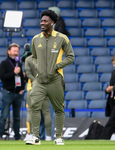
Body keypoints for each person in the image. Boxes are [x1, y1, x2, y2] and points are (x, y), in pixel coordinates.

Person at [25, 10, 75, 145]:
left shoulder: (62, 38)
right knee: (34, 107)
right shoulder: (36, 39)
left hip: (56, 80)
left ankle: (58, 137)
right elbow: (33, 57)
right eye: (41, 21)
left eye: (45, 21)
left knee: (59, 109)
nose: (42, 23)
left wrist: (58, 66)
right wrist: (36, 66)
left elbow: (71, 56)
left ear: (52, 23)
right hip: (39, 80)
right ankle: (35, 137)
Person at [0, 43, 25, 141]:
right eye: (14, 51)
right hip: (8, 92)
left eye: (17, 51)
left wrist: (22, 88)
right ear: (9, 52)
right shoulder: (4, 63)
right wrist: (13, 73)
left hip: (18, 93)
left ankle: (17, 137)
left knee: (17, 117)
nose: (16, 53)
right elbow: (2, 77)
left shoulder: (19, 64)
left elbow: (21, 78)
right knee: (4, 116)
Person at [23, 54, 52, 141]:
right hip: (44, 88)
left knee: (31, 111)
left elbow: (28, 73)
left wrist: (35, 82)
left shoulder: (28, 59)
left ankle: (30, 134)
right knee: (46, 113)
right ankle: (48, 136)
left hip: (32, 88)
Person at [99, 56, 115, 139]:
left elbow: (113, 87)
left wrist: (112, 88)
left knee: (112, 120)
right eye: (113, 63)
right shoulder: (113, 73)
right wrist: (108, 90)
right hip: (112, 99)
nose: (114, 65)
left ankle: (104, 138)